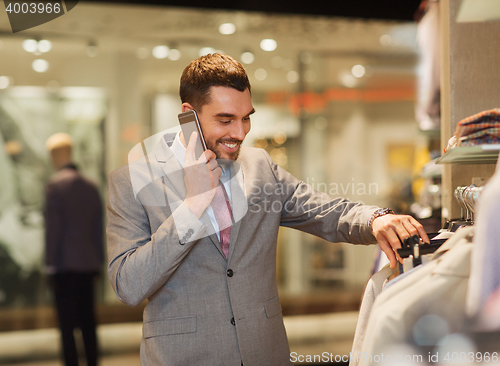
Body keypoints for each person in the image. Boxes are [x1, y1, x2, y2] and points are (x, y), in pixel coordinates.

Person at [106, 53, 428, 365]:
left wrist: (375, 219)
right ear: (189, 114)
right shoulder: (132, 180)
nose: (240, 132)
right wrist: (192, 208)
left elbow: (323, 209)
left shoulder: (259, 165)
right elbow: (129, 284)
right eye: (225, 119)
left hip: (265, 352)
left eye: (246, 117)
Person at [44, 133, 103, 366]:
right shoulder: (91, 186)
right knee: (89, 322)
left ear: (55, 155)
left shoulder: (55, 185)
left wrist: (50, 265)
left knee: (67, 327)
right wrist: (99, 261)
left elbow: (53, 231)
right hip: (88, 265)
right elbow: (98, 228)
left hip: (64, 267)